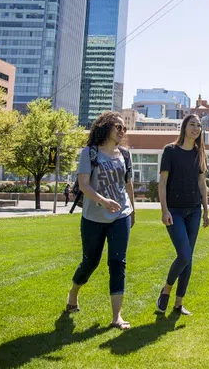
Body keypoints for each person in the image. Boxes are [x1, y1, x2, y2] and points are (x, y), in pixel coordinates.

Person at [67, 112, 135, 330]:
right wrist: (103, 200)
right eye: (118, 126)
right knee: (91, 261)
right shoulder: (90, 153)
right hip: (93, 217)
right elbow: (84, 184)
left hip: (120, 215)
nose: (122, 131)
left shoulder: (125, 155)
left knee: (118, 262)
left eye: (124, 128)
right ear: (105, 127)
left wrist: (133, 210)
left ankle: (117, 316)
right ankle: (73, 292)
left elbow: (128, 184)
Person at [157, 114, 209, 316]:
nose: (196, 128)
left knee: (189, 259)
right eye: (192, 124)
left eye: (199, 126)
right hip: (175, 212)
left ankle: (178, 304)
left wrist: (206, 211)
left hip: (194, 211)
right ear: (184, 127)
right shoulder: (170, 151)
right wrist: (164, 210)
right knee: (185, 255)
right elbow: (162, 183)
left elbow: (201, 183)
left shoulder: (199, 153)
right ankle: (166, 290)